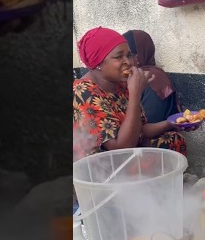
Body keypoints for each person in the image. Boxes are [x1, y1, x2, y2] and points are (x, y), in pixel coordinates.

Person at [73, 26, 188, 159]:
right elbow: (120, 148)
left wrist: (171, 123)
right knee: (145, 162)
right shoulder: (82, 91)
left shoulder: (121, 85)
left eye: (129, 55)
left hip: (128, 151)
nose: (128, 62)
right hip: (103, 165)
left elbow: (140, 130)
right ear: (97, 63)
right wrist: (135, 94)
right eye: (118, 57)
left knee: (173, 140)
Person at [123, 30, 179, 125]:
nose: (124, 61)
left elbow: (148, 121)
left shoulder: (152, 78)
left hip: (154, 137)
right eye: (119, 56)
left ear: (139, 56)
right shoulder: (134, 76)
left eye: (128, 55)